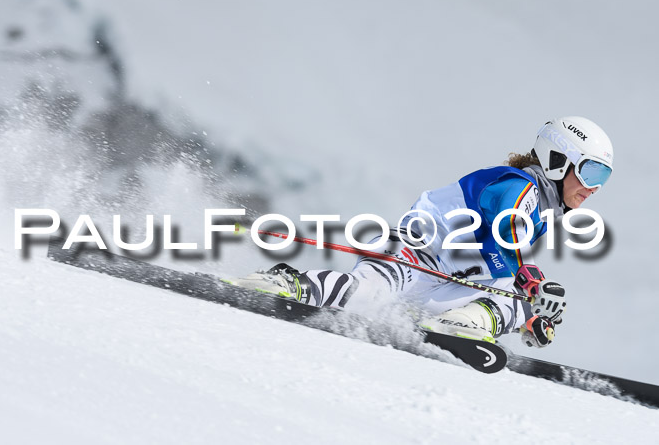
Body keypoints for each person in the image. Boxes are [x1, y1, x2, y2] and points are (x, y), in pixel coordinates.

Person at [231, 116, 614, 348]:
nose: (594, 187)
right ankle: (288, 284)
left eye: (603, 177)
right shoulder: (518, 185)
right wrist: (531, 279)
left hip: (441, 282)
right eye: (591, 171)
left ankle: (461, 327)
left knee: (518, 301)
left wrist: (530, 314)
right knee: (368, 295)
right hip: (416, 255)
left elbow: (503, 262)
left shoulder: (545, 208)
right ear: (557, 160)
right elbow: (506, 224)